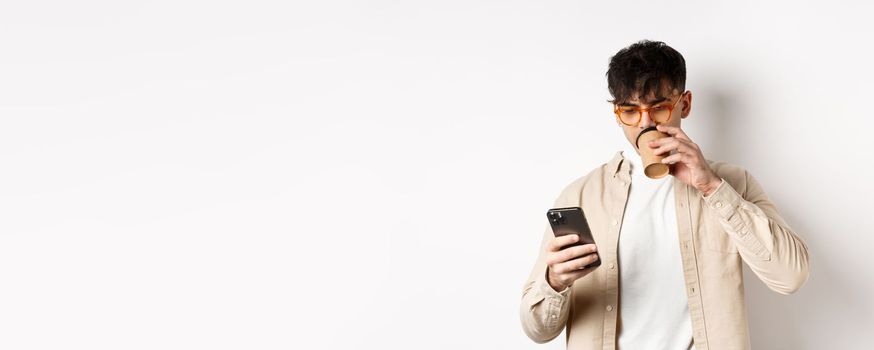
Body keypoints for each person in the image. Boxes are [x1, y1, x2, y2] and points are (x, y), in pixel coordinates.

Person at [519, 40, 810, 350]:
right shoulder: (581, 195)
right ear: (617, 114)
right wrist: (555, 282)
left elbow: (790, 277)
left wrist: (711, 187)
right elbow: (537, 330)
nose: (645, 123)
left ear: (684, 104)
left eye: (658, 107)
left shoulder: (734, 183)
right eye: (630, 111)